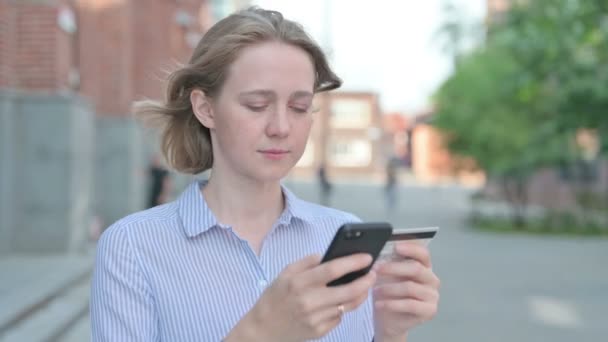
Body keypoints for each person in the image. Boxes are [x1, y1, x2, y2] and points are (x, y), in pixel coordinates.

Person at [91, 7, 439, 342]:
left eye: (299, 107)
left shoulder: (341, 235)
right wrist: (261, 333)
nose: (281, 127)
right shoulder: (133, 248)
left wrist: (391, 332)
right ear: (205, 108)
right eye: (257, 105)